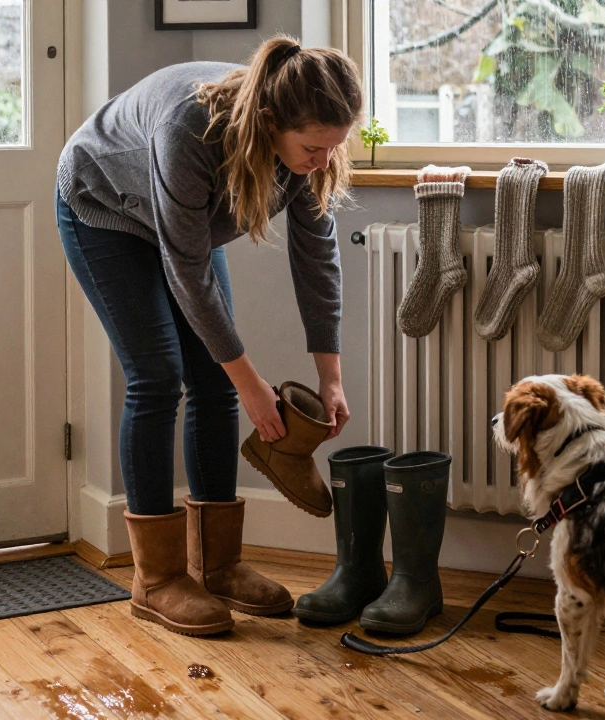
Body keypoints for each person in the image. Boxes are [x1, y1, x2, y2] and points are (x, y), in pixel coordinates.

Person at [56, 36, 362, 635]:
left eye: (336, 147)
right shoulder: (189, 130)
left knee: (215, 384)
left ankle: (219, 566)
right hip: (104, 207)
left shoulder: (308, 153)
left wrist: (331, 376)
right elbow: (189, 274)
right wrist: (252, 385)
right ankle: (156, 580)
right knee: (158, 377)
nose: (324, 160)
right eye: (313, 147)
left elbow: (317, 256)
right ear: (271, 122)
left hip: (180, 230)